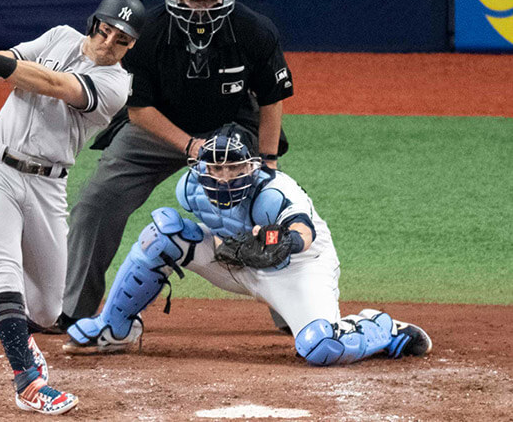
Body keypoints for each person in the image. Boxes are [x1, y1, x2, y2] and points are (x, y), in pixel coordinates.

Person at [63, 123, 433, 366]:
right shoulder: (190, 189)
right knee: (164, 232)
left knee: (320, 347)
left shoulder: (275, 192)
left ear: (252, 167)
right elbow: (219, 232)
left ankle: (381, 328)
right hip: (238, 263)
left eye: (235, 168)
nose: (223, 176)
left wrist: (278, 241)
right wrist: (238, 247)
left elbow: (303, 235)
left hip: (297, 269)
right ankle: (114, 328)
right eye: (215, 168)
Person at [59, 0, 295, 331]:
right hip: (156, 128)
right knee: (96, 203)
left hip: (230, 128)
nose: (200, 7)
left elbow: (270, 99)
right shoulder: (147, 32)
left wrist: (267, 164)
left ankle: (292, 313)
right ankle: (72, 310)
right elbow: (138, 110)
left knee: (264, 209)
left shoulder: (253, 30)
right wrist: (191, 147)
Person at [0, 0, 146, 415]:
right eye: (105, 31)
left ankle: (25, 339)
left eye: (121, 40)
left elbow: (53, 84)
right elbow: (14, 60)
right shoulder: (59, 37)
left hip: (47, 188)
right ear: (94, 23)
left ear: (131, 46)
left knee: (50, 308)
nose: (108, 44)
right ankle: (28, 382)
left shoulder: (116, 85)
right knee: (4, 272)